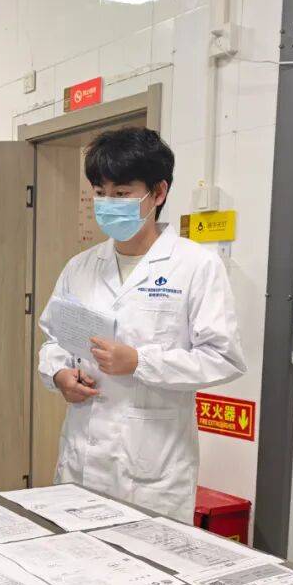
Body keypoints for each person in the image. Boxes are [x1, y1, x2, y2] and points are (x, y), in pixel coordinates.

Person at [38, 127, 246, 523]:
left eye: (121, 193)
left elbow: (224, 358)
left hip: (153, 473)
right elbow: (54, 339)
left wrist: (139, 362)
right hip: (82, 458)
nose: (108, 203)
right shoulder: (80, 267)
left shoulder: (196, 266)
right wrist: (60, 374)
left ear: (159, 193)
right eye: (100, 193)